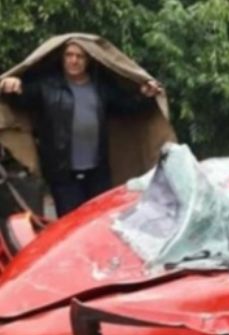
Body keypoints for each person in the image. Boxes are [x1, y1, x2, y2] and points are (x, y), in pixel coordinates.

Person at [0, 40, 163, 216]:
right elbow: (21, 100)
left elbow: (127, 107)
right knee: (71, 223)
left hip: (97, 173)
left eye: (80, 56)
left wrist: (145, 96)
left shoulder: (100, 87)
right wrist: (12, 86)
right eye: (69, 55)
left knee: (100, 219)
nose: (74, 60)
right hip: (63, 174)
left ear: (88, 60)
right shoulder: (47, 86)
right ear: (62, 58)